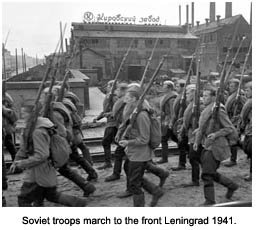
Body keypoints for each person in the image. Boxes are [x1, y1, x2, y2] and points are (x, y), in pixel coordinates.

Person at [10, 104, 88, 207]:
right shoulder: (31, 128)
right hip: (42, 171)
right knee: (51, 196)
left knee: (24, 200)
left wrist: (23, 163)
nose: (22, 116)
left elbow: (42, 155)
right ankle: (79, 203)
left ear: (32, 114)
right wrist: (16, 161)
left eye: (24, 113)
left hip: (38, 173)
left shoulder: (37, 131)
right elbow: (24, 149)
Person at [119, 86, 164, 207]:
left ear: (134, 99)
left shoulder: (141, 115)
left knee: (134, 184)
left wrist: (128, 142)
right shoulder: (135, 112)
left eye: (127, 98)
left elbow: (144, 139)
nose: (124, 100)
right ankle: (155, 191)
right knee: (128, 169)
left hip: (140, 154)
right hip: (134, 153)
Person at [193, 86, 239, 205]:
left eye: (206, 96)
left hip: (217, 146)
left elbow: (229, 128)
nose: (203, 98)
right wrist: (197, 137)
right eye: (203, 96)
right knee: (210, 172)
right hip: (207, 145)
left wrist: (216, 134)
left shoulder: (218, 109)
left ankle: (209, 201)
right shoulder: (208, 108)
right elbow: (205, 125)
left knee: (207, 174)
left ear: (213, 97)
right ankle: (231, 185)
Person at [62, 98, 98, 182]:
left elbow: (68, 122)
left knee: (75, 156)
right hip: (72, 134)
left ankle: (89, 178)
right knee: (76, 155)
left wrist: (69, 138)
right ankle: (91, 174)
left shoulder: (64, 104)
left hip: (70, 135)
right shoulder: (65, 102)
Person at [179, 85, 202, 187]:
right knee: (196, 157)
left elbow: (203, 119)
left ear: (194, 94)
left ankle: (195, 180)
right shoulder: (191, 104)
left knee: (193, 157)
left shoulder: (199, 104)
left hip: (197, 134)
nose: (186, 95)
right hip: (191, 133)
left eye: (188, 93)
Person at [94, 80, 117, 169]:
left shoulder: (114, 97)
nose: (107, 87)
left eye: (108, 85)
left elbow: (118, 110)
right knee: (116, 142)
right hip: (110, 122)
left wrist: (109, 114)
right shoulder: (108, 97)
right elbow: (105, 110)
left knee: (106, 142)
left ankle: (108, 162)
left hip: (113, 123)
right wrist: (98, 117)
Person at [224, 78, 246, 167]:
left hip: (236, 121)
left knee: (233, 139)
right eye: (229, 85)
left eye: (232, 86)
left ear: (237, 87)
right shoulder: (232, 95)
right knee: (235, 140)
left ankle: (233, 160)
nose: (230, 87)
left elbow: (246, 107)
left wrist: (238, 115)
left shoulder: (240, 95)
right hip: (231, 119)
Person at [156, 80, 177, 164]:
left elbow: (173, 112)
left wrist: (171, 122)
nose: (162, 88)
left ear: (169, 88)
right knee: (173, 137)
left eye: (164, 86)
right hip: (165, 119)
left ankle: (164, 158)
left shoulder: (172, 98)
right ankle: (186, 149)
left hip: (168, 120)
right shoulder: (167, 96)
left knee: (164, 138)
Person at [170, 79, 189, 170]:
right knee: (181, 142)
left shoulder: (184, 98)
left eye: (177, 86)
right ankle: (190, 152)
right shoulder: (180, 97)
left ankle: (182, 164)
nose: (176, 88)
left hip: (183, 123)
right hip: (178, 122)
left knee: (181, 143)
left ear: (183, 87)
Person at [2, 93, 23, 173]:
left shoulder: (5, 96)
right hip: (6, 125)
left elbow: (11, 110)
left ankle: (17, 166)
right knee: (10, 145)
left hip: (6, 125)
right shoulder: (5, 95)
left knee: (10, 145)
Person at [239, 81, 252, 181]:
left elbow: (243, 116)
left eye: (247, 90)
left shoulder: (250, 101)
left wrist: (241, 126)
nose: (246, 92)